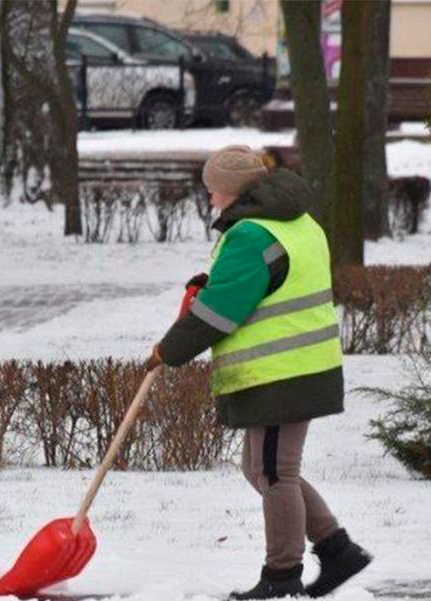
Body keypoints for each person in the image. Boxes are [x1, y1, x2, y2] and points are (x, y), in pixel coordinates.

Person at [147, 146, 371, 599]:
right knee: (262, 468)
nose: (210, 200)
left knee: (274, 472)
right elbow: (262, 286)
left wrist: (166, 352)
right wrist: (212, 287)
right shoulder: (297, 222)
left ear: (228, 190)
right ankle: (336, 548)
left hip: (280, 373)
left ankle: (282, 575)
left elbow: (219, 314)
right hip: (302, 366)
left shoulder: (250, 235)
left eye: (212, 191)